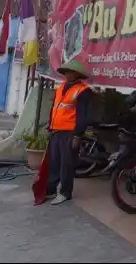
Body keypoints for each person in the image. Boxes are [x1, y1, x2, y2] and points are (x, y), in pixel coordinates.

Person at [46, 58, 93, 205]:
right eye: (65, 72)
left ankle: (65, 192)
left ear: (76, 74)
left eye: (70, 72)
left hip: (70, 132)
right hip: (56, 130)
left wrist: (78, 135)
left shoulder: (83, 91)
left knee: (67, 164)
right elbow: (54, 108)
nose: (66, 74)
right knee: (54, 162)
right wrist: (50, 126)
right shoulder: (60, 88)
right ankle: (51, 189)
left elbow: (82, 115)